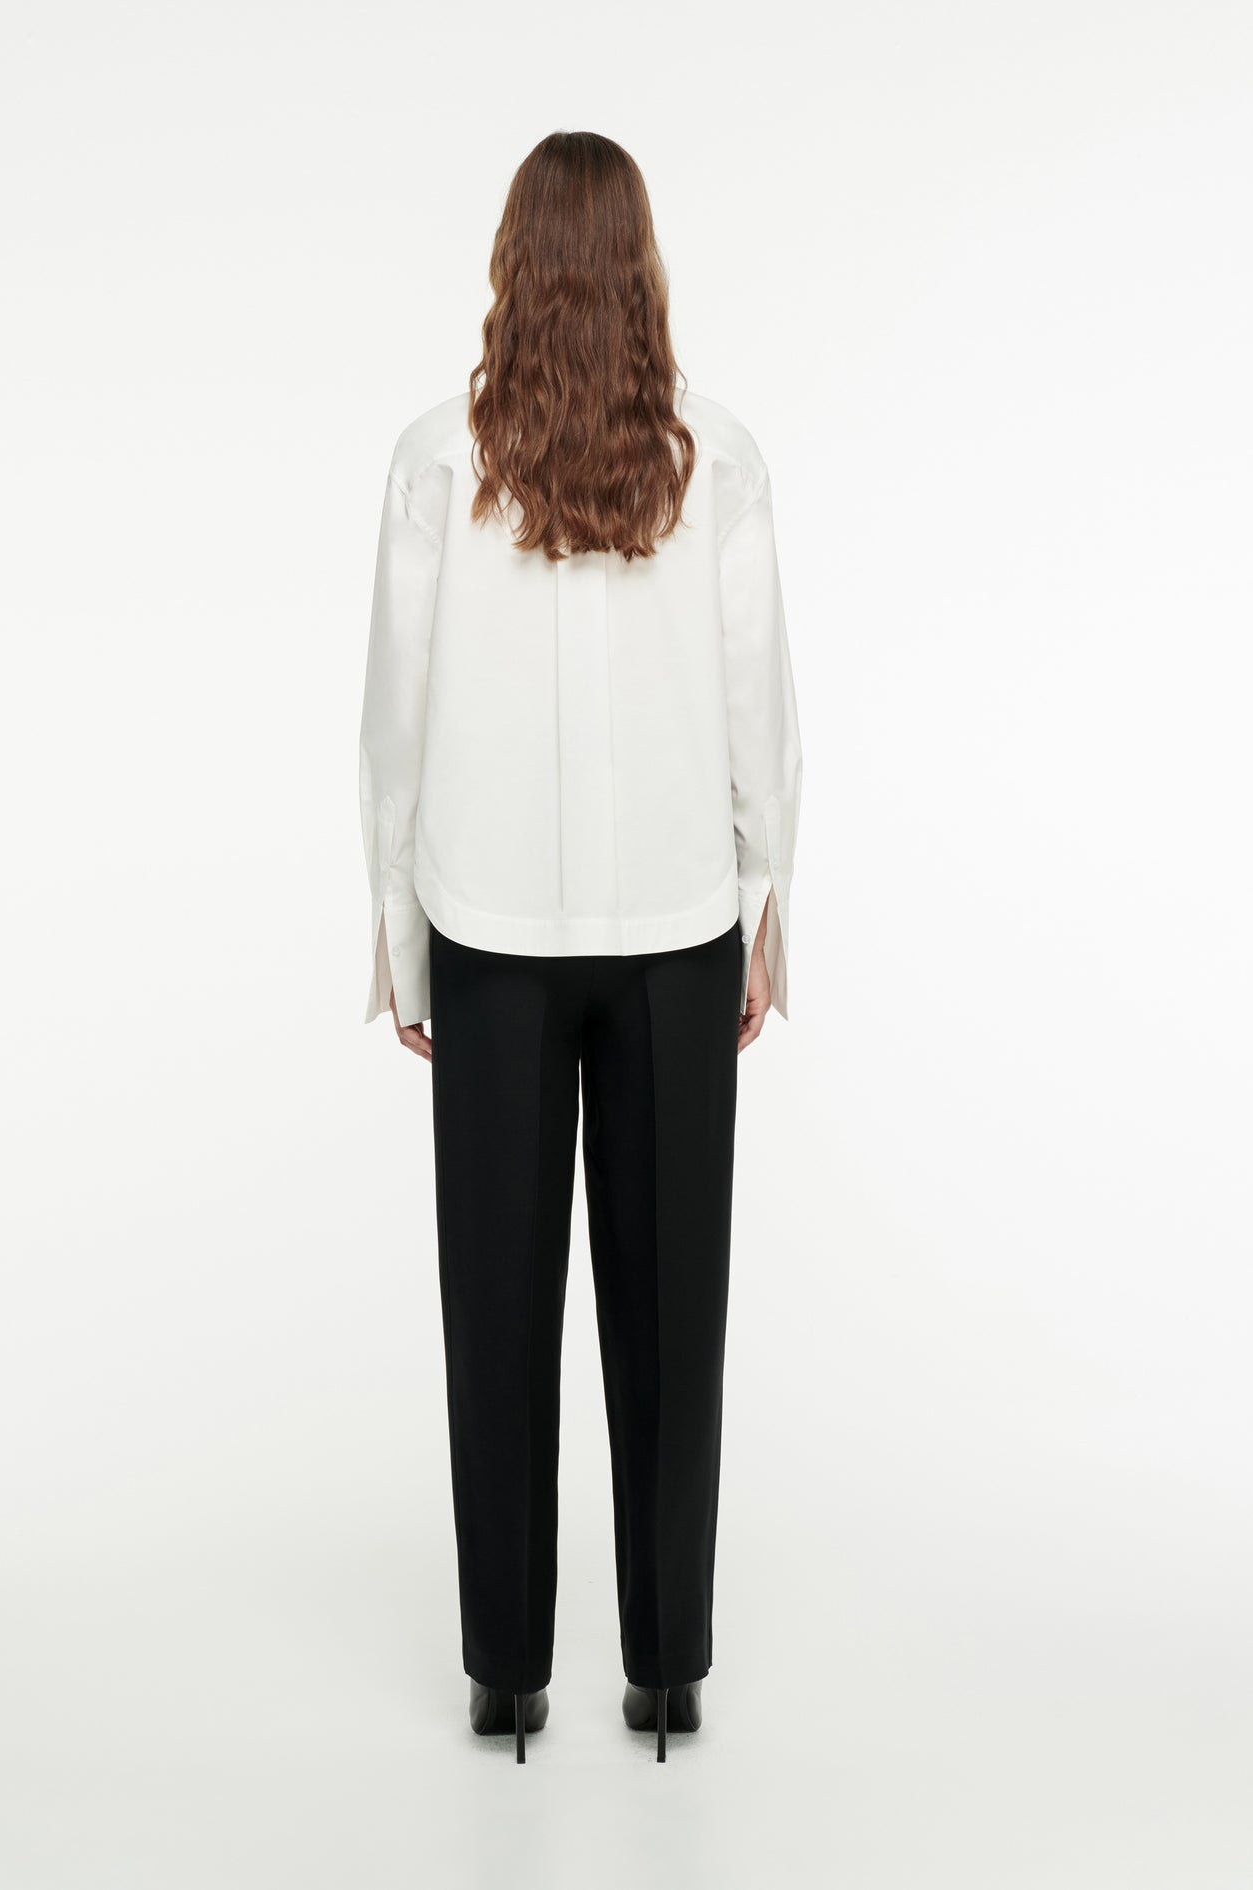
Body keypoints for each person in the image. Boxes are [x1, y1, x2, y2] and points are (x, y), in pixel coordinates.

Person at [358, 130, 802, 1764]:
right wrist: (765, 894)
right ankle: (666, 1667)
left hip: (487, 930)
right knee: (673, 1307)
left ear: (513, 263)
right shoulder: (712, 455)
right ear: (638, 266)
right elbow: (758, 696)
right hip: (677, 931)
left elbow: (394, 715)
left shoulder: (437, 457)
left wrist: (398, 933)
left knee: (495, 1303)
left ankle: (506, 1670)